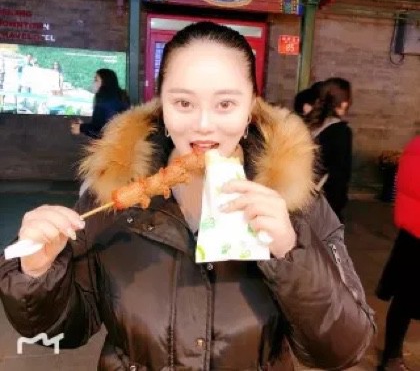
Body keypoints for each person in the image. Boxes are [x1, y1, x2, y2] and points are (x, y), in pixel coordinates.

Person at [0, 22, 374, 370]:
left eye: (225, 104)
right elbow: (65, 330)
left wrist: (292, 252)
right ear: (162, 105)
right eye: (183, 103)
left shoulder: (296, 202)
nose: (204, 125)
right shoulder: (111, 194)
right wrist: (37, 274)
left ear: (250, 108)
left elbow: (344, 349)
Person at [376, 136, 420, 371]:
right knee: (405, 299)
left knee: (403, 299)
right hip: (416, 237)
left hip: (411, 235)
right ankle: (392, 356)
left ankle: (392, 356)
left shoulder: (415, 145)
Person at [305, 77, 353, 222]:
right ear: (343, 103)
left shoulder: (308, 124)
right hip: (323, 204)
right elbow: (339, 175)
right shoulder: (340, 132)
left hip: (300, 197)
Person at [71, 68, 130, 139]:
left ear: (105, 82)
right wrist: (83, 127)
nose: (93, 83)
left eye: (96, 80)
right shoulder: (121, 98)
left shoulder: (103, 101)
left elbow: (99, 131)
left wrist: (81, 128)